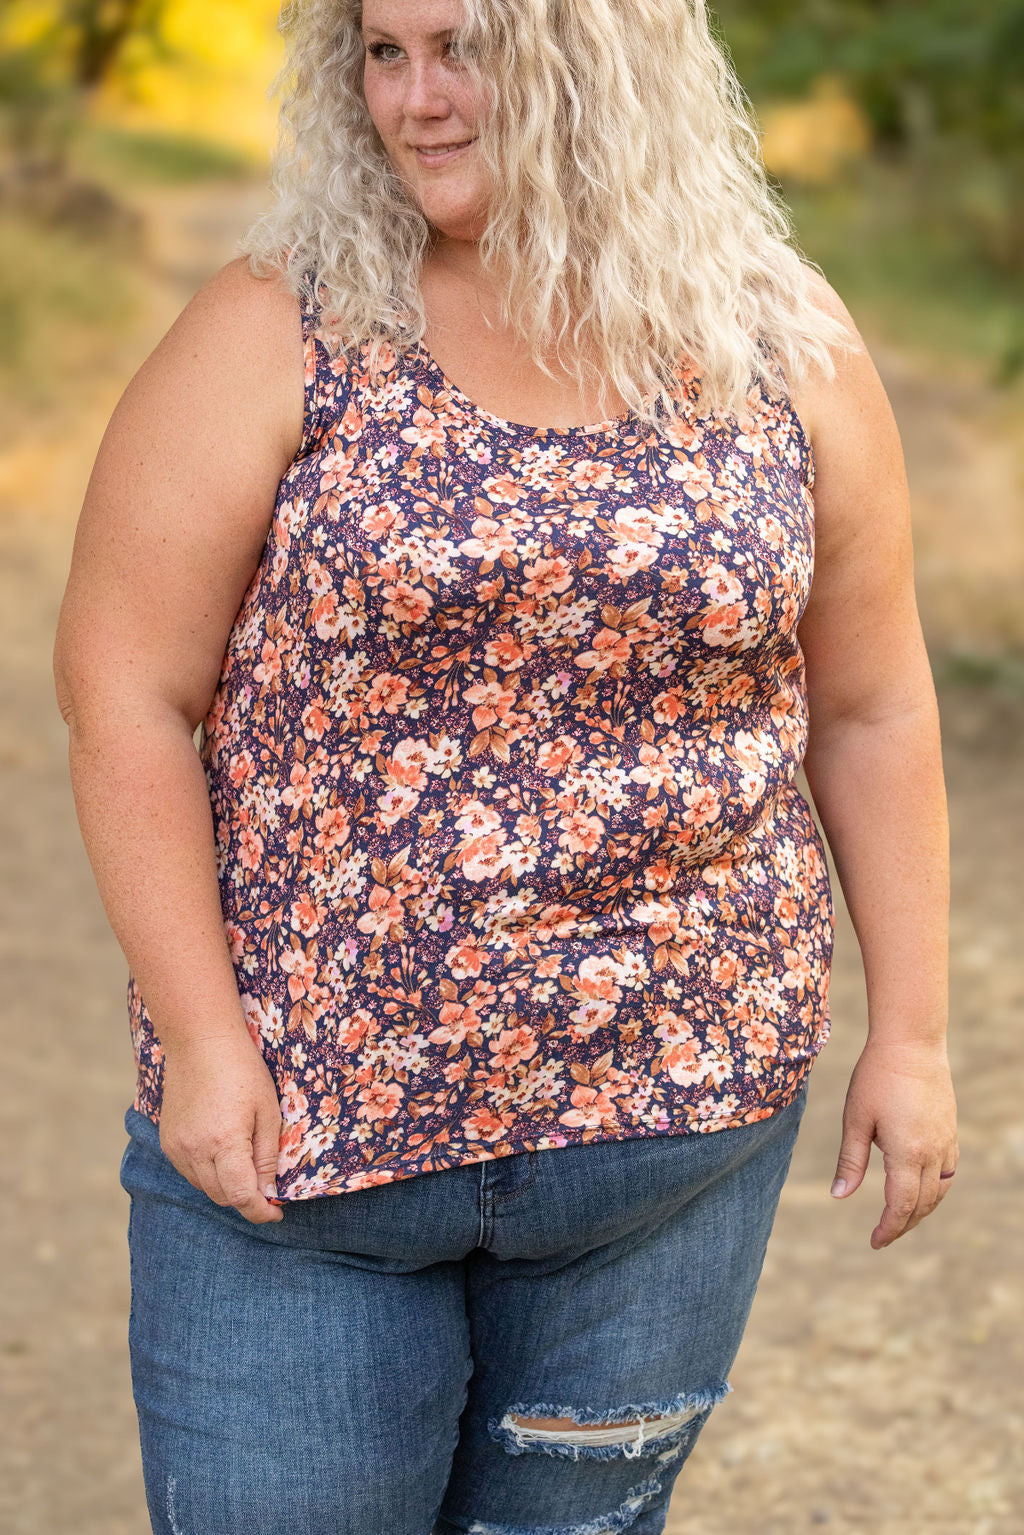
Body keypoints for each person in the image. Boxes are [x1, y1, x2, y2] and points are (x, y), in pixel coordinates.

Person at [52, 0, 959, 1530]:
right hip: (312, 1156)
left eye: (463, 47)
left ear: (601, 56)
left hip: (668, 1152)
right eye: (383, 54)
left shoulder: (777, 342)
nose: (417, 100)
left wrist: (916, 1035)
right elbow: (124, 693)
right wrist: (204, 1040)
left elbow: (872, 704)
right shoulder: (287, 325)